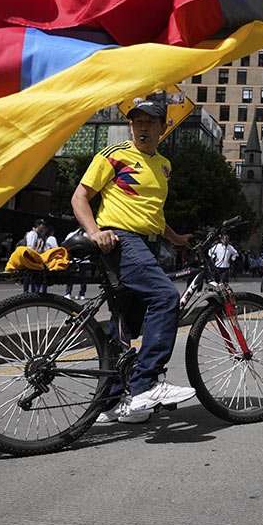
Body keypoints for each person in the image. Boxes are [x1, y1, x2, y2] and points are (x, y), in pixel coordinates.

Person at [70, 99, 194, 423]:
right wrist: (95, 231)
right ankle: (144, 386)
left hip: (148, 246)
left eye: (150, 122)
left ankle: (110, 403)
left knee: (125, 325)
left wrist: (175, 237)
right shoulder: (113, 155)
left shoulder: (164, 165)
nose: (142, 127)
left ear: (163, 127)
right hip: (121, 240)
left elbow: (152, 212)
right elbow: (79, 196)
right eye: (137, 121)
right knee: (166, 298)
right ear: (130, 126)